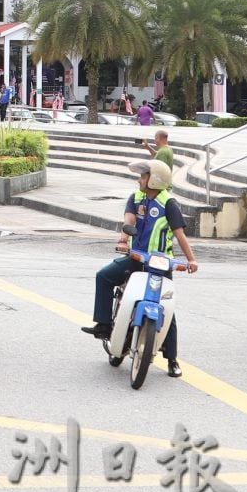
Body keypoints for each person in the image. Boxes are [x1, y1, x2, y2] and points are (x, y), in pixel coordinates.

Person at [80, 160, 197, 378]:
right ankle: (104, 324)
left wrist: (192, 260)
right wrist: (124, 236)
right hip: (136, 258)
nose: (139, 179)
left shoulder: (168, 203)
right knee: (104, 276)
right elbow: (130, 217)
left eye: (143, 176)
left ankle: (172, 359)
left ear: (154, 180)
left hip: (160, 263)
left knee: (166, 307)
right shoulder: (137, 197)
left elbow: (179, 233)